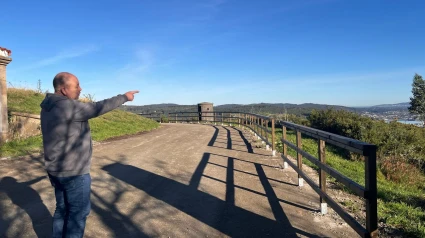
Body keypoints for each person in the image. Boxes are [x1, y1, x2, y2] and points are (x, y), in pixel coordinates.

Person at [40, 72, 138, 238]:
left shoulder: (48, 106)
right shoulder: (68, 107)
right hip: (74, 172)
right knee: (77, 215)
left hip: (55, 169)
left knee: (62, 210)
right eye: (77, 86)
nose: (80, 88)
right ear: (64, 90)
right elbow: (98, 107)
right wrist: (124, 97)